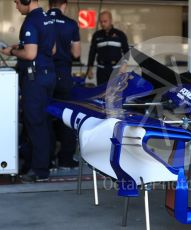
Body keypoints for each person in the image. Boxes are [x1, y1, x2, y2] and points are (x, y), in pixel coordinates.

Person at [0, 0, 56, 182]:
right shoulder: (47, 18)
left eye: (17, 2)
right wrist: (19, 47)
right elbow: (52, 49)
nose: (16, 6)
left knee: (35, 124)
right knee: (45, 123)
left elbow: (31, 54)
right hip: (49, 76)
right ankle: (43, 164)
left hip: (35, 79)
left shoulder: (31, 21)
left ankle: (39, 171)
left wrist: (13, 52)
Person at [47, 0, 80, 169]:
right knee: (66, 116)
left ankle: (47, 159)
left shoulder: (41, 20)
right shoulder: (71, 24)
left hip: (44, 74)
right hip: (63, 74)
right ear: (64, 5)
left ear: (49, 3)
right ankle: (66, 159)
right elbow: (76, 53)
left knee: (45, 117)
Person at [86, 11, 129, 85]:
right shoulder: (96, 35)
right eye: (101, 22)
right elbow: (92, 53)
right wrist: (89, 69)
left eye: (105, 21)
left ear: (111, 20)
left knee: (115, 94)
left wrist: (124, 65)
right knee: (101, 93)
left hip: (116, 70)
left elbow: (127, 51)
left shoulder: (120, 34)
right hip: (101, 70)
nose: (102, 24)